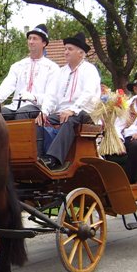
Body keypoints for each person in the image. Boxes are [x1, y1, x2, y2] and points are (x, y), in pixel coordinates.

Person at [38, 32, 101, 170]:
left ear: (81, 53)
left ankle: (53, 158)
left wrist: (73, 109)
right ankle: (38, 156)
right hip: (63, 112)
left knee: (70, 119)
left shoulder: (89, 70)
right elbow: (51, 95)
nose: (66, 52)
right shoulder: (61, 72)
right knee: (38, 122)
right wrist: (44, 112)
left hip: (86, 112)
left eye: (69, 49)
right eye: (65, 49)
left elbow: (88, 94)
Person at [0, 24, 59, 120]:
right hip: (16, 106)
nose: (31, 42)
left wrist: (37, 101)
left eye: (35, 39)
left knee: (23, 112)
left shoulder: (52, 68)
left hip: (38, 107)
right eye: (29, 38)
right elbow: (7, 86)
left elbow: (52, 95)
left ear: (44, 43)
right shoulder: (18, 66)